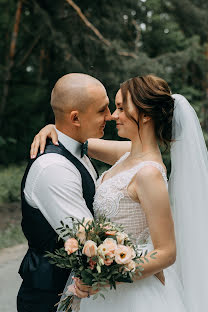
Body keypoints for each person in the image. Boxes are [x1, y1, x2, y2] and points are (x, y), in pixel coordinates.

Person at [31, 74, 208, 311]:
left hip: (132, 292)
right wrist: (52, 127)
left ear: (145, 115)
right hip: (107, 288)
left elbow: (167, 253)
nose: (113, 116)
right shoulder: (128, 154)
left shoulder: (148, 173)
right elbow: (76, 140)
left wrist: (106, 276)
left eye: (121, 108)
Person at [17, 73, 112, 312]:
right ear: (75, 117)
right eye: (103, 110)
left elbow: (146, 153)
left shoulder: (80, 148)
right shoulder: (54, 168)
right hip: (50, 300)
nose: (110, 117)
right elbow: (91, 242)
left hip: (80, 294)